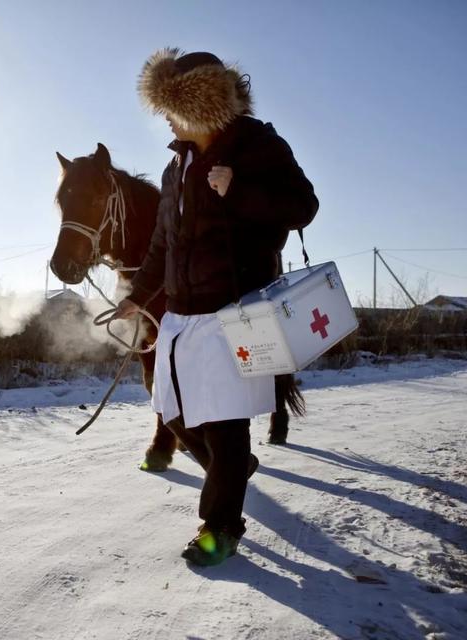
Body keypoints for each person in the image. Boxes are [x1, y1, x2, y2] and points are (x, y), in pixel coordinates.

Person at [114, 48, 319, 566]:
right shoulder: (174, 167)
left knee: (226, 422)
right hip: (181, 313)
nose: (163, 117)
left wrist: (240, 191)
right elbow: (162, 245)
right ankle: (232, 467)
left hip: (237, 309)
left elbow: (303, 206)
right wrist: (136, 298)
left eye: (172, 105)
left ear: (201, 103)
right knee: (172, 409)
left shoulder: (256, 145)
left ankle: (220, 526)